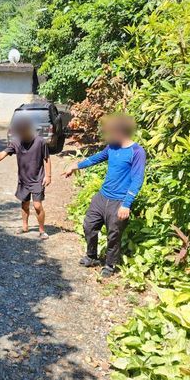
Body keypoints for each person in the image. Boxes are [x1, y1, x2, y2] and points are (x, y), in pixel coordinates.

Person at [62, 114, 146, 277]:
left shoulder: (137, 152)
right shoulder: (112, 147)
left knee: (113, 235)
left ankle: (110, 265)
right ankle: (91, 256)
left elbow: (137, 179)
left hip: (119, 200)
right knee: (89, 225)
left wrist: (126, 204)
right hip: (102, 196)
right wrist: (75, 166)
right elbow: (96, 158)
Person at [0, 118, 52, 239]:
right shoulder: (16, 142)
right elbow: (1, 155)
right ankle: (25, 226)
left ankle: (42, 230)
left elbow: (47, 159)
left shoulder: (40, 142)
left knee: (38, 205)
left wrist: (48, 176)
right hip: (23, 180)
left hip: (37, 179)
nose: (22, 134)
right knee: (24, 204)